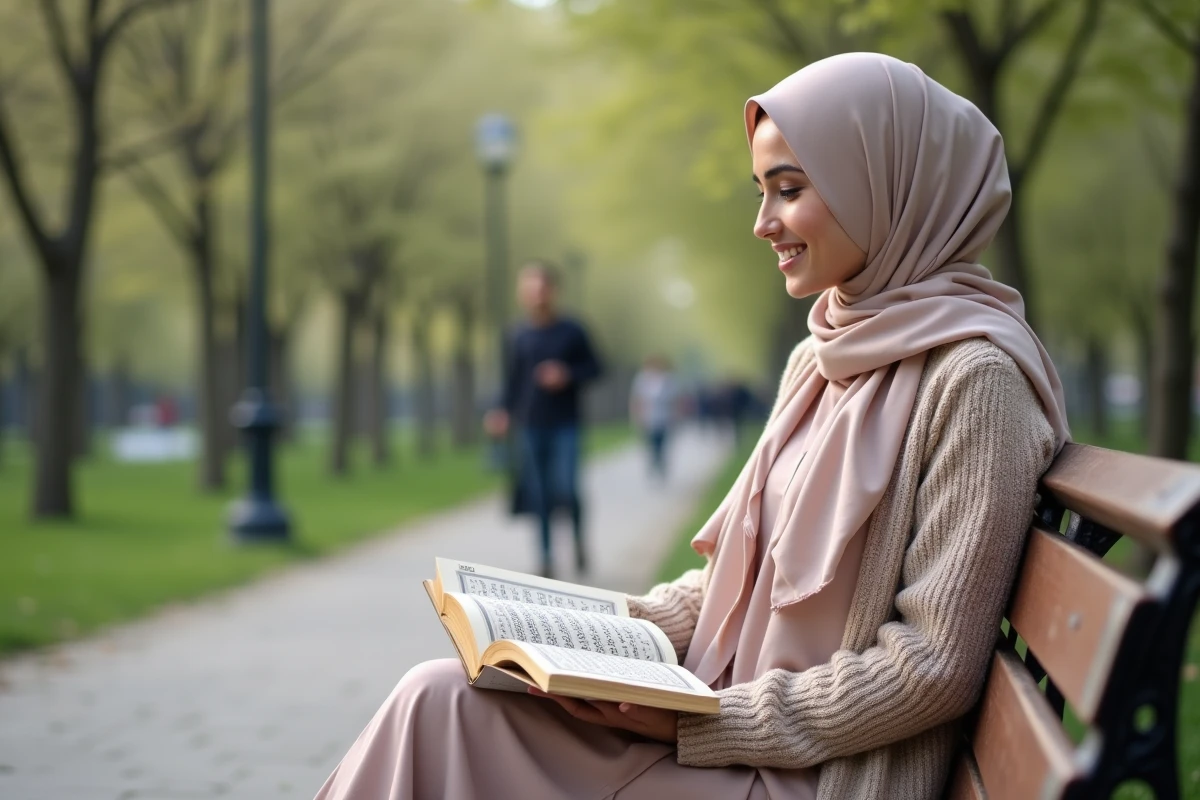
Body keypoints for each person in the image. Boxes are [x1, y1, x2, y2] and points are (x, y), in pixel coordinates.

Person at [313, 52, 1069, 800]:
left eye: (790, 190)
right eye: (761, 191)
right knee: (438, 696)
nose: (762, 223)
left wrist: (697, 724)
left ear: (886, 187)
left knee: (438, 715)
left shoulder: (976, 382)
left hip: (805, 774)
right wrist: (581, 633)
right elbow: (733, 587)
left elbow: (929, 667)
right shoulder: (822, 357)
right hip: (719, 726)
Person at [483, 261, 603, 579]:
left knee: (567, 486)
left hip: (566, 423)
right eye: (530, 288)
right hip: (529, 424)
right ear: (523, 293)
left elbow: (596, 368)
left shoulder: (573, 329)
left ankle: (578, 542)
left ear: (553, 290)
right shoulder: (516, 333)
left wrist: (567, 374)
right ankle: (546, 558)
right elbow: (511, 379)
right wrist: (501, 410)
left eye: (542, 288)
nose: (537, 294)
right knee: (540, 493)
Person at [629, 355, 680, 479]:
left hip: (664, 418)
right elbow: (637, 398)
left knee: (662, 444)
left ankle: (661, 465)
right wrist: (636, 415)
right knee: (651, 444)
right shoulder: (642, 379)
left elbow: (675, 399)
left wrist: (675, 415)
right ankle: (654, 464)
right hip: (648, 418)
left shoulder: (668, 380)